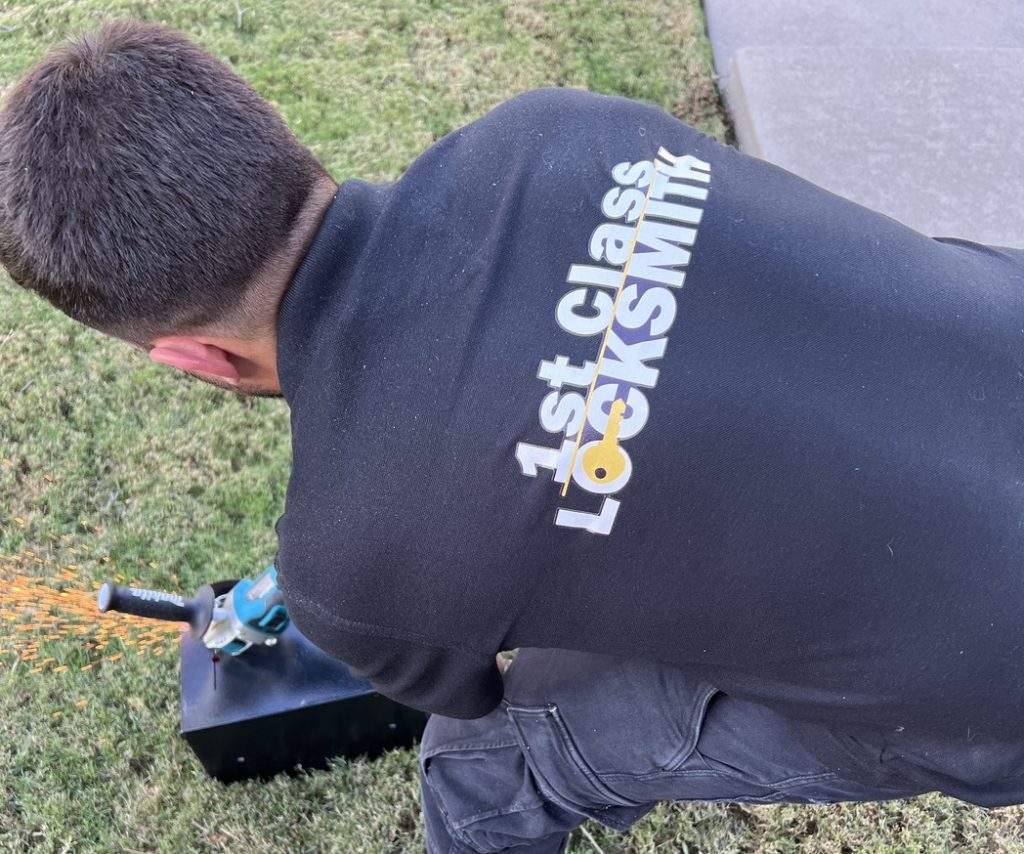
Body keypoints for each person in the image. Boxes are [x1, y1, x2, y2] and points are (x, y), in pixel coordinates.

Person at [3, 22, 1024, 851]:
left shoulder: (351, 563)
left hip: (999, 684)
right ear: (275, 133)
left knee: (488, 755)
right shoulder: (554, 130)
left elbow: (479, 685)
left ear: (193, 358)